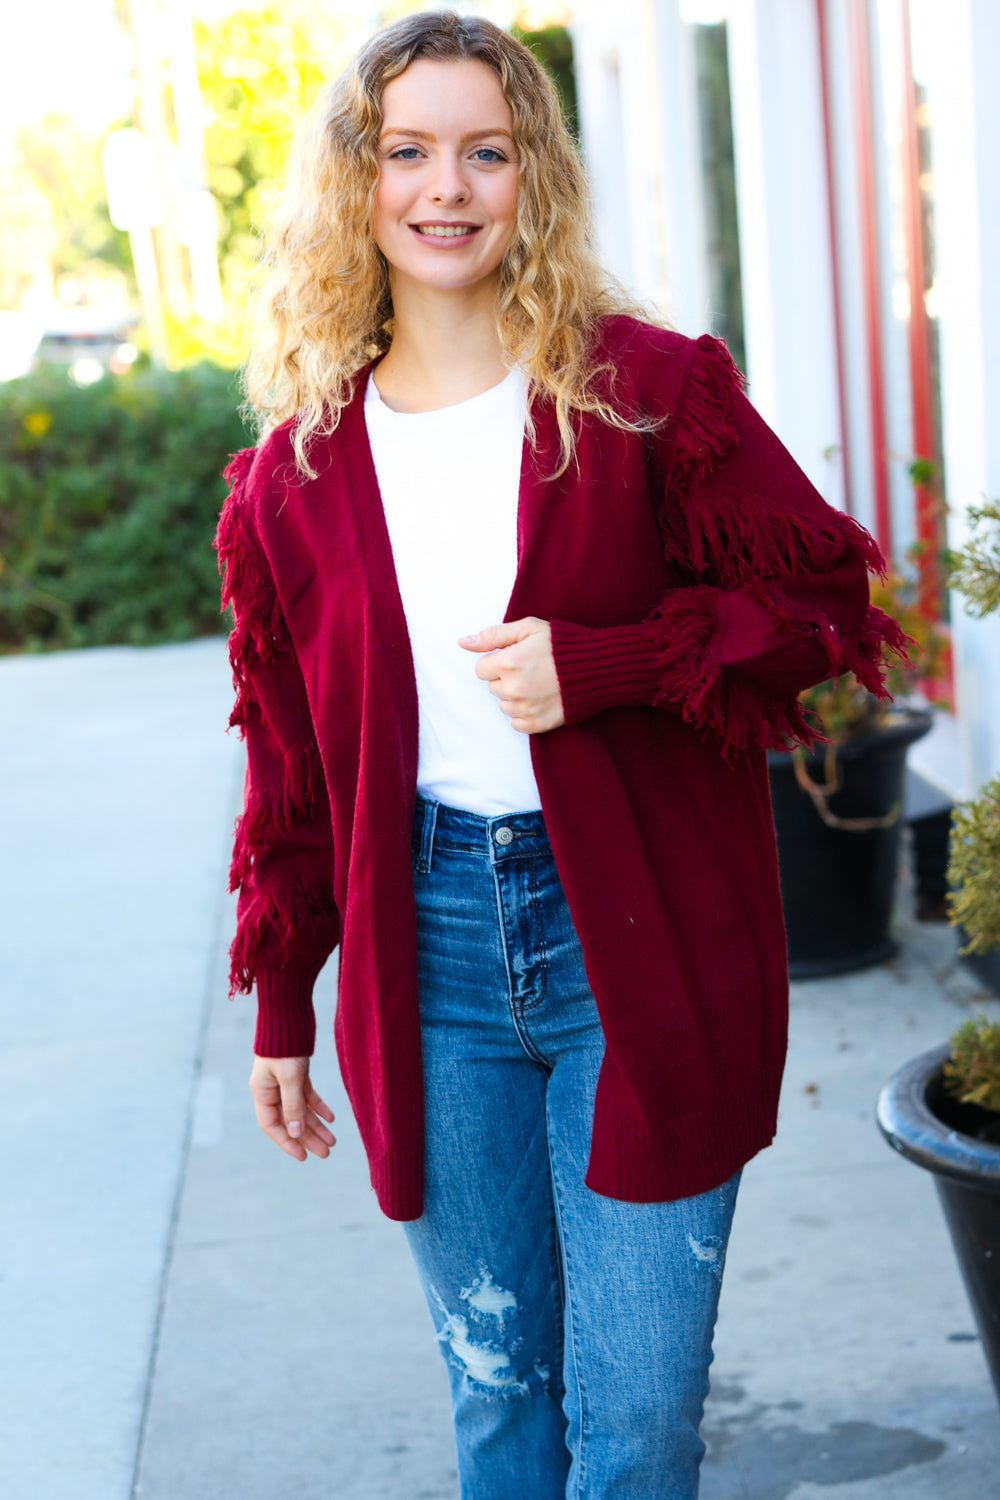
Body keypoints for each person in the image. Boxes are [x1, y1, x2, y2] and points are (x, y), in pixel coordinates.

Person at [215, 11, 902, 1498]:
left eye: (486, 150)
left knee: (639, 1421)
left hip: (636, 939)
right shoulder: (297, 475)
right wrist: (281, 994)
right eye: (407, 152)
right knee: (501, 1405)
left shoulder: (647, 393)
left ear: (535, 177)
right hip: (433, 951)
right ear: (359, 180)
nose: (444, 188)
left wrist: (608, 665)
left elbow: (824, 607)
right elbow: (291, 767)